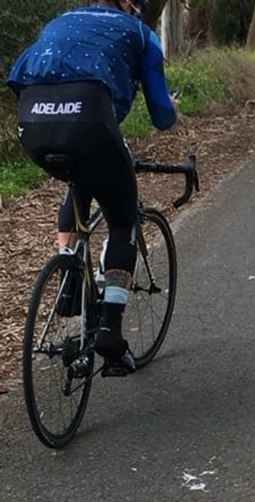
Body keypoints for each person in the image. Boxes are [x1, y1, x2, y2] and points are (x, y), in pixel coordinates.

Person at [7, 0, 177, 375]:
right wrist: (172, 107)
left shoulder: (61, 19)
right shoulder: (140, 33)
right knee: (121, 219)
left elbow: (21, 71)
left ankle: (69, 273)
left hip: (32, 123)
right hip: (90, 122)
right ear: (130, 4)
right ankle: (111, 335)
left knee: (79, 178)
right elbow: (162, 116)